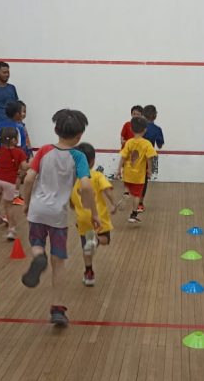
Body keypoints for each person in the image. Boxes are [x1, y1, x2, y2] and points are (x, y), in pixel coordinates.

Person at [20, 109, 100, 326]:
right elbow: (86, 186)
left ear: (56, 130)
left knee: (37, 243)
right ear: (80, 135)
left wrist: (26, 203)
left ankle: (39, 256)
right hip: (58, 215)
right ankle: (57, 308)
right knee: (58, 262)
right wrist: (93, 213)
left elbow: (29, 179)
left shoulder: (44, 150)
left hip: (38, 210)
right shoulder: (78, 156)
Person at [70, 143, 117, 287]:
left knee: (86, 247)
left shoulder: (74, 180)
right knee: (106, 239)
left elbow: (71, 201)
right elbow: (107, 190)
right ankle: (96, 240)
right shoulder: (97, 176)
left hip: (83, 220)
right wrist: (113, 204)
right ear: (93, 161)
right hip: (98, 217)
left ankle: (89, 273)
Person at [0, 101, 32, 205]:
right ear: (17, 114)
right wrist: (24, 160)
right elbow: (20, 146)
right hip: (12, 159)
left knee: (1, 177)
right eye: (22, 111)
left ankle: (0, 201)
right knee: (18, 176)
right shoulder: (19, 127)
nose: (24, 114)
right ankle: (15, 196)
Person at [118, 116, 157, 223]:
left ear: (131, 129)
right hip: (139, 175)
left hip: (128, 172)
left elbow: (123, 157)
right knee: (137, 195)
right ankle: (133, 214)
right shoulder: (147, 143)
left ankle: (126, 193)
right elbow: (149, 158)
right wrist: (149, 170)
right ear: (145, 130)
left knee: (127, 185)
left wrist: (118, 169)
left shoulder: (129, 142)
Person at [139, 104, 164, 212]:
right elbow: (160, 145)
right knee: (144, 180)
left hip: (135, 156)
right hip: (148, 158)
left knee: (135, 178)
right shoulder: (157, 129)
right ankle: (140, 203)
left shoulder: (138, 127)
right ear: (155, 116)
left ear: (143, 115)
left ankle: (131, 195)